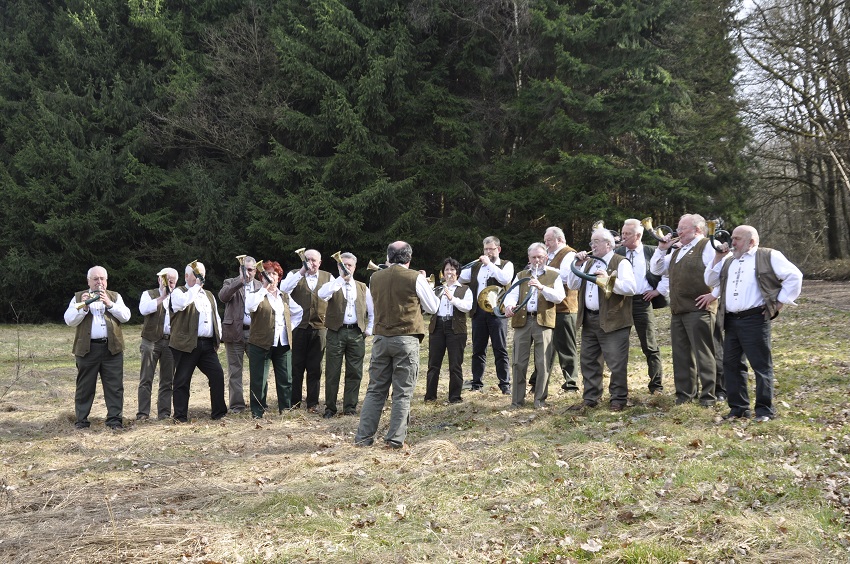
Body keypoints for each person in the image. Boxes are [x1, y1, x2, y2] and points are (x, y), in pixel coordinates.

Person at [705, 225, 802, 422]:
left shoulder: (768, 256)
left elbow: (795, 276)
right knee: (731, 365)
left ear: (751, 241)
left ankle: (765, 410)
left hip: (755, 319)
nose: (732, 242)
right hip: (731, 320)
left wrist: (779, 303)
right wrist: (717, 256)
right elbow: (710, 279)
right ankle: (739, 409)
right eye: (733, 238)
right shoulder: (728, 260)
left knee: (761, 366)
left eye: (737, 239)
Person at [354, 241, 439, 449]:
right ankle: (394, 440)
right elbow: (433, 307)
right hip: (406, 339)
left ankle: (363, 438)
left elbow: (373, 305)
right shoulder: (416, 277)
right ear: (409, 258)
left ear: (388, 257)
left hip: (381, 339)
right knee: (402, 392)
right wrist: (424, 284)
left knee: (375, 390)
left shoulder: (375, 278)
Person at [650, 214, 720, 406]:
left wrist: (714, 295)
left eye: (683, 228)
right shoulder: (677, 251)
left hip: (700, 310)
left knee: (703, 354)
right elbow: (656, 270)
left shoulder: (707, 245)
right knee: (681, 355)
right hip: (678, 310)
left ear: (697, 230)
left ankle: (708, 397)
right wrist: (661, 249)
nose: (677, 232)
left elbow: (724, 269)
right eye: (678, 228)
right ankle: (685, 395)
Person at [566, 229, 637, 412]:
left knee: (616, 362)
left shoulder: (620, 262)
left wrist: (608, 281)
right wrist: (579, 263)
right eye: (591, 242)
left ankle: (618, 398)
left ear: (608, 244)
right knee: (589, 361)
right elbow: (573, 284)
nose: (592, 246)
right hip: (589, 319)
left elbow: (630, 288)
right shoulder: (588, 263)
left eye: (596, 241)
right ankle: (591, 397)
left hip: (614, 320)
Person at [64, 266, 132, 430]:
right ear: (88, 281)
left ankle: (114, 420)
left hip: (112, 349)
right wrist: (84, 306)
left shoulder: (114, 296)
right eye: (95, 279)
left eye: (102, 279)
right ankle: (81, 421)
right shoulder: (79, 297)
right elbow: (69, 320)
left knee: (114, 387)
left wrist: (110, 304)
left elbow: (126, 316)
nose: (99, 282)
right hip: (87, 350)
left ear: (106, 281)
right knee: (85, 387)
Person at [503, 243, 566, 409]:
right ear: (529, 259)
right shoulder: (522, 275)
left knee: (543, 362)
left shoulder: (554, 275)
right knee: (518, 362)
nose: (537, 260)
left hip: (544, 322)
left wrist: (542, 287)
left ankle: (540, 400)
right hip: (523, 322)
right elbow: (511, 295)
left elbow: (559, 297)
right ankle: (517, 401)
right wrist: (509, 305)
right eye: (533, 257)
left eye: (540, 257)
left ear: (545, 257)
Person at [615, 218, 669, 395]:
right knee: (618, 348)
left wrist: (658, 291)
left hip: (642, 302)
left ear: (638, 235)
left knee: (650, 346)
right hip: (620, 303)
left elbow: (668, 274)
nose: (623, 237)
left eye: (627, 234)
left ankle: (656, 386)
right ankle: (619, 389)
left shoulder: (651, 251)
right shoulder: (617, 253)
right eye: (622, 233)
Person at [317, 252, 374, 418]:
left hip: (357, 333)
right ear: (338, 266)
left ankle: (350, 407)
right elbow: (322, 294)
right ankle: (330, 408)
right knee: (332, 372)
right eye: (343, 265)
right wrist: (341, 279)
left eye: (349, 265)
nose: (346, 268)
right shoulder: (333, 284)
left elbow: (372, 311)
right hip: (336, 332)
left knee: (355, 372)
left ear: (355, 267)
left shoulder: (363, 287)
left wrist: (368, 329)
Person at [169, 262, 227, 422]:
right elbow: (182, 303)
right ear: (186, 276)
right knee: (182, 380)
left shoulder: (208, 294)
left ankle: (219, 413)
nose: (200, 277)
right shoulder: (178, 293)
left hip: (207, 345)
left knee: (217, 375)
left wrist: (217, 339)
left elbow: (216, 316)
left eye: (202, 273)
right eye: (196, 274)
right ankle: (180, 417)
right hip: (186, 345)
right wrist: (195, 287)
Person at [245, 261, 303, 418]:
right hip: (260, 343)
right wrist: (264, 288)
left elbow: (298, 312)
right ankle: (258, 412)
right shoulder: (256, 294)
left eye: (274, 274)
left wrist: (288, 328)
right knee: (259, 380)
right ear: (262, 277)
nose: (271, 277)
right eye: (268, 273)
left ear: (279, 277)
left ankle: (285, 410)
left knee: (286, 378)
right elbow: (249, 307)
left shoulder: (284, 296)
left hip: (282, 343)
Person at [458, 236, 514, 394]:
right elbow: (460, 277)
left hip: (497, 312)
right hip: (478, 312)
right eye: (486, 249)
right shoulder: (476, 267)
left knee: (500, 348)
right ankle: (477, 383)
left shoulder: (506, 265)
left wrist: (489, 264)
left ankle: (505, 384)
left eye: (492, 249)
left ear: (499, 249)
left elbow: (505, 279)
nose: (488, 252)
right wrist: (451, 271)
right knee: (478, 349)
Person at [280, 249, 331, 412]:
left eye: (314, 260)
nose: (311, 263)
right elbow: (284, 289)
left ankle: (312, 403)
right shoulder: (295, 274)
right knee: (296, 366)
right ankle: (294, 402)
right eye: (307, 259)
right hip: (298, 328)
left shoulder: (328, 276)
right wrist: (302, 272)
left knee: (315, 367)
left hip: (319, 328)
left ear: (320, 262)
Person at [424, 257, 473, 404]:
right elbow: (428, 308)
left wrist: (452, 299)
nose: (449, 272)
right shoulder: (437, 289)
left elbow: (467, 307)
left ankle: (455, 397)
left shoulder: (465, 289)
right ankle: (430, 396)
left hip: (455, 328)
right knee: (433, 364)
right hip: (437, 326)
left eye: (452, 269)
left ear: (457, 272)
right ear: (443, 273)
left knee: (455, 364)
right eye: (446, 270)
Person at [219, 256, 262, 414]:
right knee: (234, 371)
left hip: (255, 333)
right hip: (234, 332)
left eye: (250, 270)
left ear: (255, 271)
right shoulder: (230, 282)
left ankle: (258, 402)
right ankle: (237, 406)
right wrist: (240, 281)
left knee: (258, 370)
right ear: (240, 269)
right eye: (244, 269)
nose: (248, 272)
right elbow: (223, 297)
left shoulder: (260, 285)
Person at [541, 226, 580, 393]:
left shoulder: (569, 254)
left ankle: (572, 383)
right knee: (546, 347)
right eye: (545, 241)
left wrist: (543, 268)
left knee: (566, 347)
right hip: (550, 308)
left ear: (560, 239)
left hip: (565, 308)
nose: (546, 244)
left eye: (548, 240)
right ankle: (539, 382)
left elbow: (564, 276)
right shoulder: (549, 256)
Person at [137, 268, 178, 420]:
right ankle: (142, 414)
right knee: (146, 378)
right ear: (159, 280)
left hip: (170, 342)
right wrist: (162, 297)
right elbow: (144, 309)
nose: (168, 283)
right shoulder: (148, 294)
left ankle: (164, 413)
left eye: (172, 281)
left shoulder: (179, 296)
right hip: (150, 341)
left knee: (167, 380)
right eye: (165, 280)